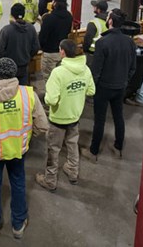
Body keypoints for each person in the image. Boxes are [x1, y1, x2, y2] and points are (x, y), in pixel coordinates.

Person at [0, 57, 49, 242]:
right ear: (15, 74)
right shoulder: (28, 95)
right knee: (18, 182)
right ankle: (19, 224)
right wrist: (27, 135)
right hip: (18, 150)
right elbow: (42, 126)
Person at [35, 39, 95, 191]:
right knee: (73, 145)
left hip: (58, 119)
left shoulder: (58, 72)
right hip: (74, 116)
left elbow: (51, 99)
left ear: (62, 52)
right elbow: (91, 91)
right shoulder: (85, 69)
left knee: (53, 150)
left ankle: (50, 179)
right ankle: (73, 172)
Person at [81, 8, 137, 162]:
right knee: (118, 116)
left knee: (99, 120)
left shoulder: (102, 43)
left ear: (110, 21)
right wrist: (124, 81)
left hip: (104, 88)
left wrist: (93, 88)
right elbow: (133, 67)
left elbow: (96, 70)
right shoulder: (129, 42)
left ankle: (93, 151)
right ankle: (118, 147)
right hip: (120, 87)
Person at [0, 3, 40, 85]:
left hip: (8, 69)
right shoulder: (31, 28)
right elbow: (36, 47)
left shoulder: (6, 30)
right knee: (22, 92)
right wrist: (27, 57)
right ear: (24, 14)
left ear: (12, 15)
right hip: (24, 66)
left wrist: (6, 62)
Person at [37, 0, 73, 96]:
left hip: (49, 53)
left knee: (49, 79)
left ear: (55, 3)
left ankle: (50, 103)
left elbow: (42, 37)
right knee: (60, 78)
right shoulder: (69, 16)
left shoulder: (48, 18)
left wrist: (42, 48)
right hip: (62, 53)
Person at [83, 0, 108, 69]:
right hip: (104, 54)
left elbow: (87, 40)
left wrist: (85, 50)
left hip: (92, 54)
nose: (93, 8)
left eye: (95, 7)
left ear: (98, 9)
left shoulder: (93, 24)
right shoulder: (109, 22)